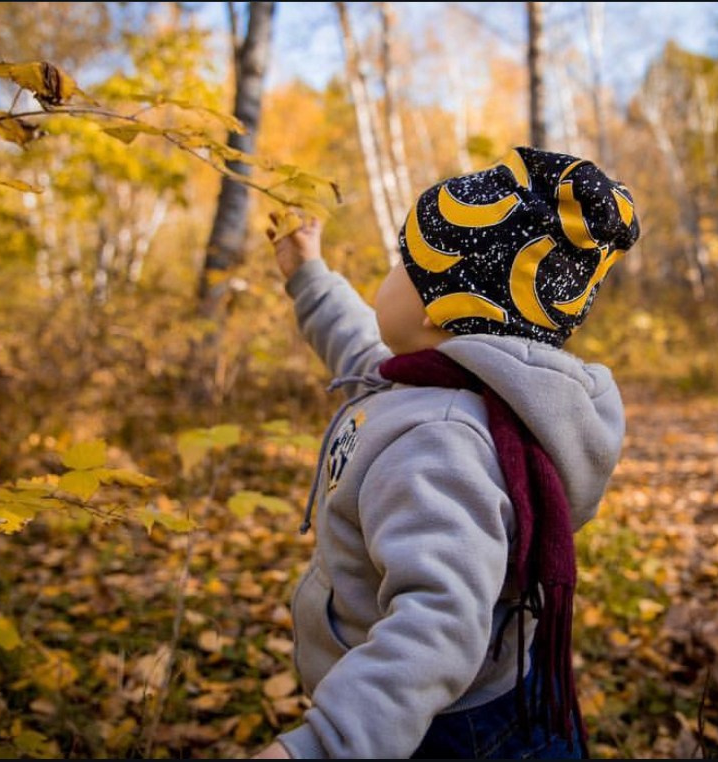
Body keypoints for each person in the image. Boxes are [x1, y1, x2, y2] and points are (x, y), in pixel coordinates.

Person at [254, 147, 640, 759]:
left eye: (402, 264)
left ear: (445, 306)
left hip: (435, 729)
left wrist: (325, 746)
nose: (388, 276)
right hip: (473, 698)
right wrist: (308, 273)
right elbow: (361, 354)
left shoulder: (441, 440)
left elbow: (437, 624)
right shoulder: (450, 384)